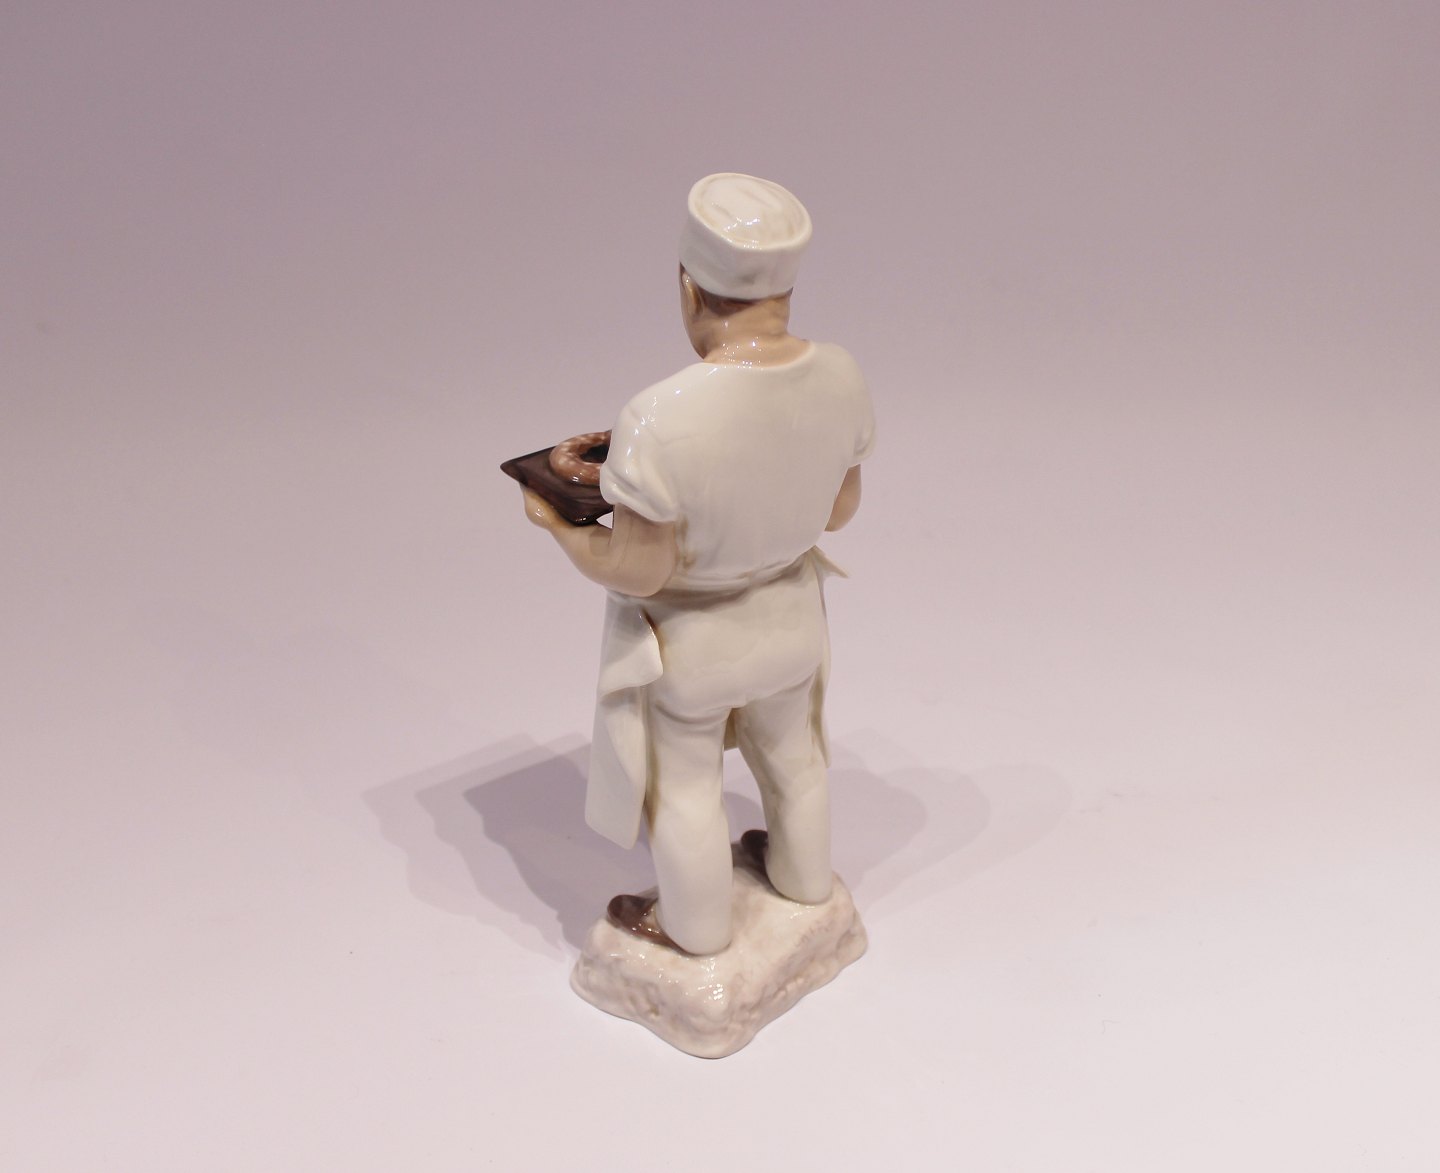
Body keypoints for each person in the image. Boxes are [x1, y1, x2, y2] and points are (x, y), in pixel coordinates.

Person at [520, 173, 874, 955]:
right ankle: (805, 882)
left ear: (689, 289)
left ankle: (697, 930)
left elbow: (638, 569)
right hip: (791, 617)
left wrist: (559, 527)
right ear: (786, 289)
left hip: (694, 643)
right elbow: (840, 511)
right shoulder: (842, 375)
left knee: (684, 788)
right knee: (796, 759)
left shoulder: (657, 417)